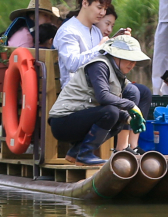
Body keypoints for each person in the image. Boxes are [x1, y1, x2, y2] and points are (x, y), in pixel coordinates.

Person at [52, 0, 150, 121]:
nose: (102, 13)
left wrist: (115, 42)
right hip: (79, 92)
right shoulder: (68, 31)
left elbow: (103, 58)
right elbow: (72, 64)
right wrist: (100, 47)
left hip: (99, 85)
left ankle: (128, 142)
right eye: (99, 7)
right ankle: (120, 141)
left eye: (104, 9)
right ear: (85, 3)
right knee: (130, 94)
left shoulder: (96, 31)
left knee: (141, 92)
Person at [49, 35, 150, 167]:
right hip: (62, 122)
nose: (132, 64)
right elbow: (103, 97)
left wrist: (130, 119)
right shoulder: (99, 65)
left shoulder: (118, 73)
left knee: (118, 118)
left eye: (134, 60)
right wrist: (131, 105)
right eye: (128, 59)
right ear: (116, 56)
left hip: (80, 118)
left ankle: (76, 152)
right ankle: (85, 155)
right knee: (111, 112)